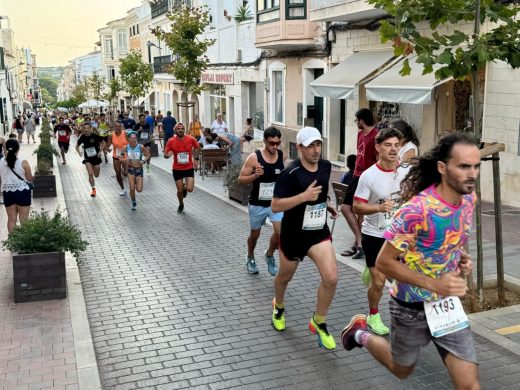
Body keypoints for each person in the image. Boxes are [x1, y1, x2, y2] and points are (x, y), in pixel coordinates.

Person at [341, 132, 481, 389]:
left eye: (475, 166)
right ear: (442, 167)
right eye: (463, 166)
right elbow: (384, 262)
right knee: (401, 369)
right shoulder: (417, 211)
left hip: (446, 307)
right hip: (409, 307)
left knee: (469, 385)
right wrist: (435, 283)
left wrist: (462, 259)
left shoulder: (469, 200)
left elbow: (450, 240)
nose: (472, 173)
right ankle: (360, 334)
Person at [270, 127, 339, 350]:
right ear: (299, 147)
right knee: (284, 278)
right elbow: (276, 205)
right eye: (310, 145)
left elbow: (318, 193)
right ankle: (278, 306)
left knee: (331, 278)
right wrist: (303, 197)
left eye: (318, 144)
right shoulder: (290, 173)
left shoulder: (326, 166)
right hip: (293, 235)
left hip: (318, 231)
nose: (315, 150)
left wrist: (324, 205)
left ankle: (318, 321)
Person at [352, 128, 409, 336]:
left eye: (396, 145)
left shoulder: (406, 172)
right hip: (375, 235)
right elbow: (357, 206)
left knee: (403, 280)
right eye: (388, 145)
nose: (393, 149)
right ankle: (373, 315)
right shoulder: (369, 176)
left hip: (399, 235)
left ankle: (404, 316)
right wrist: (378, 207)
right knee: (379, 281)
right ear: (378, 147)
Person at [238, 126, 285, 275]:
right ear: (264, 141)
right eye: (272, 143)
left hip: (275, 203)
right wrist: (255, 176)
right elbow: (240, 180)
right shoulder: (254, 157)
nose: (275, 146)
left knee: (280, 232)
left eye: (277, 143)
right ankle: (250, 256)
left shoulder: (282, 155)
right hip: (257, 203)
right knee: (255, 234)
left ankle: (269, 254)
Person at [341, 108, 378, 259]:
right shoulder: (359, 134)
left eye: (357, 120)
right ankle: (360, 241)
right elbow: (359, 155)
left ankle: (359, 244)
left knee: (358, 211)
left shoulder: (376, 136)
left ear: (362, 120)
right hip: (356, 175)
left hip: (367, 177)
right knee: (346, 208)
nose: (356, 122)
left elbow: (377, 159)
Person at [164, 123, 200, 214]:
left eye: (182, 128)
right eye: (178, 129)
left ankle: (185, 187)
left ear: (184, 130)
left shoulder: (191, 139)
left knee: (190, 189)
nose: (180, 130)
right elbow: (166, 153)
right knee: (179, 190)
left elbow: (197, 147)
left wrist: (196, 159)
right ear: (175, 131)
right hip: (177, 169)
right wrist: (167, 155)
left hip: (188, 167)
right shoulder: (171, 141)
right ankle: (181, 204)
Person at [0, 139, 33, 233]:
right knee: (24, 220)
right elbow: (29, 178)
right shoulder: (23, 162)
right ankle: (24, 242)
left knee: (11, 219)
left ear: (6, 149)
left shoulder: (1, 162)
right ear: (18, 149)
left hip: (7, 192)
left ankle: (13, 243)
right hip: (22, 192)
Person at [76, 122, 104, 197]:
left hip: (96, 158)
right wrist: (79, 152)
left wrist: (100, 151)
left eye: (88, 128)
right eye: (85, 128)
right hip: (87, 158)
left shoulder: (95, 136)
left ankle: (95, 173)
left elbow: (103, 143)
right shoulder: (82, 137)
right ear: (83, 129)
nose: (86, 130)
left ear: (90, 129)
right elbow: (77, 146)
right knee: (90, 173)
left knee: (96, 175)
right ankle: (93, 189)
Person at [124, 131, 149, 210]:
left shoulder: (141, 147)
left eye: (135, 138)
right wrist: (125, 159)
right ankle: (133, 202)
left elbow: (148, 155)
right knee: (132, 188)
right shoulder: (126, 147)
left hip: (139, 169)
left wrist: (143, 161)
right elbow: (120, 157)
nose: (134, 139)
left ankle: (135, 182)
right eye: (132, 138)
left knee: (139, 189)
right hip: (130, 169)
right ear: (129, 139)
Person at [104, 122, 128, 196]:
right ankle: (123, 188)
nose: (117, 128)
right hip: (116, 156)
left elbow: (131, 143)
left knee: (125, 173)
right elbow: (106, 146)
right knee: (118, 173)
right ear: (114, 127)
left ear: (121, 127)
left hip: (125, 155)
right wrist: (107, 149)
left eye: (119, 126)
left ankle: (125, 171)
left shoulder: (125, 134)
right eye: (116, 126)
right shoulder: (111, 136)